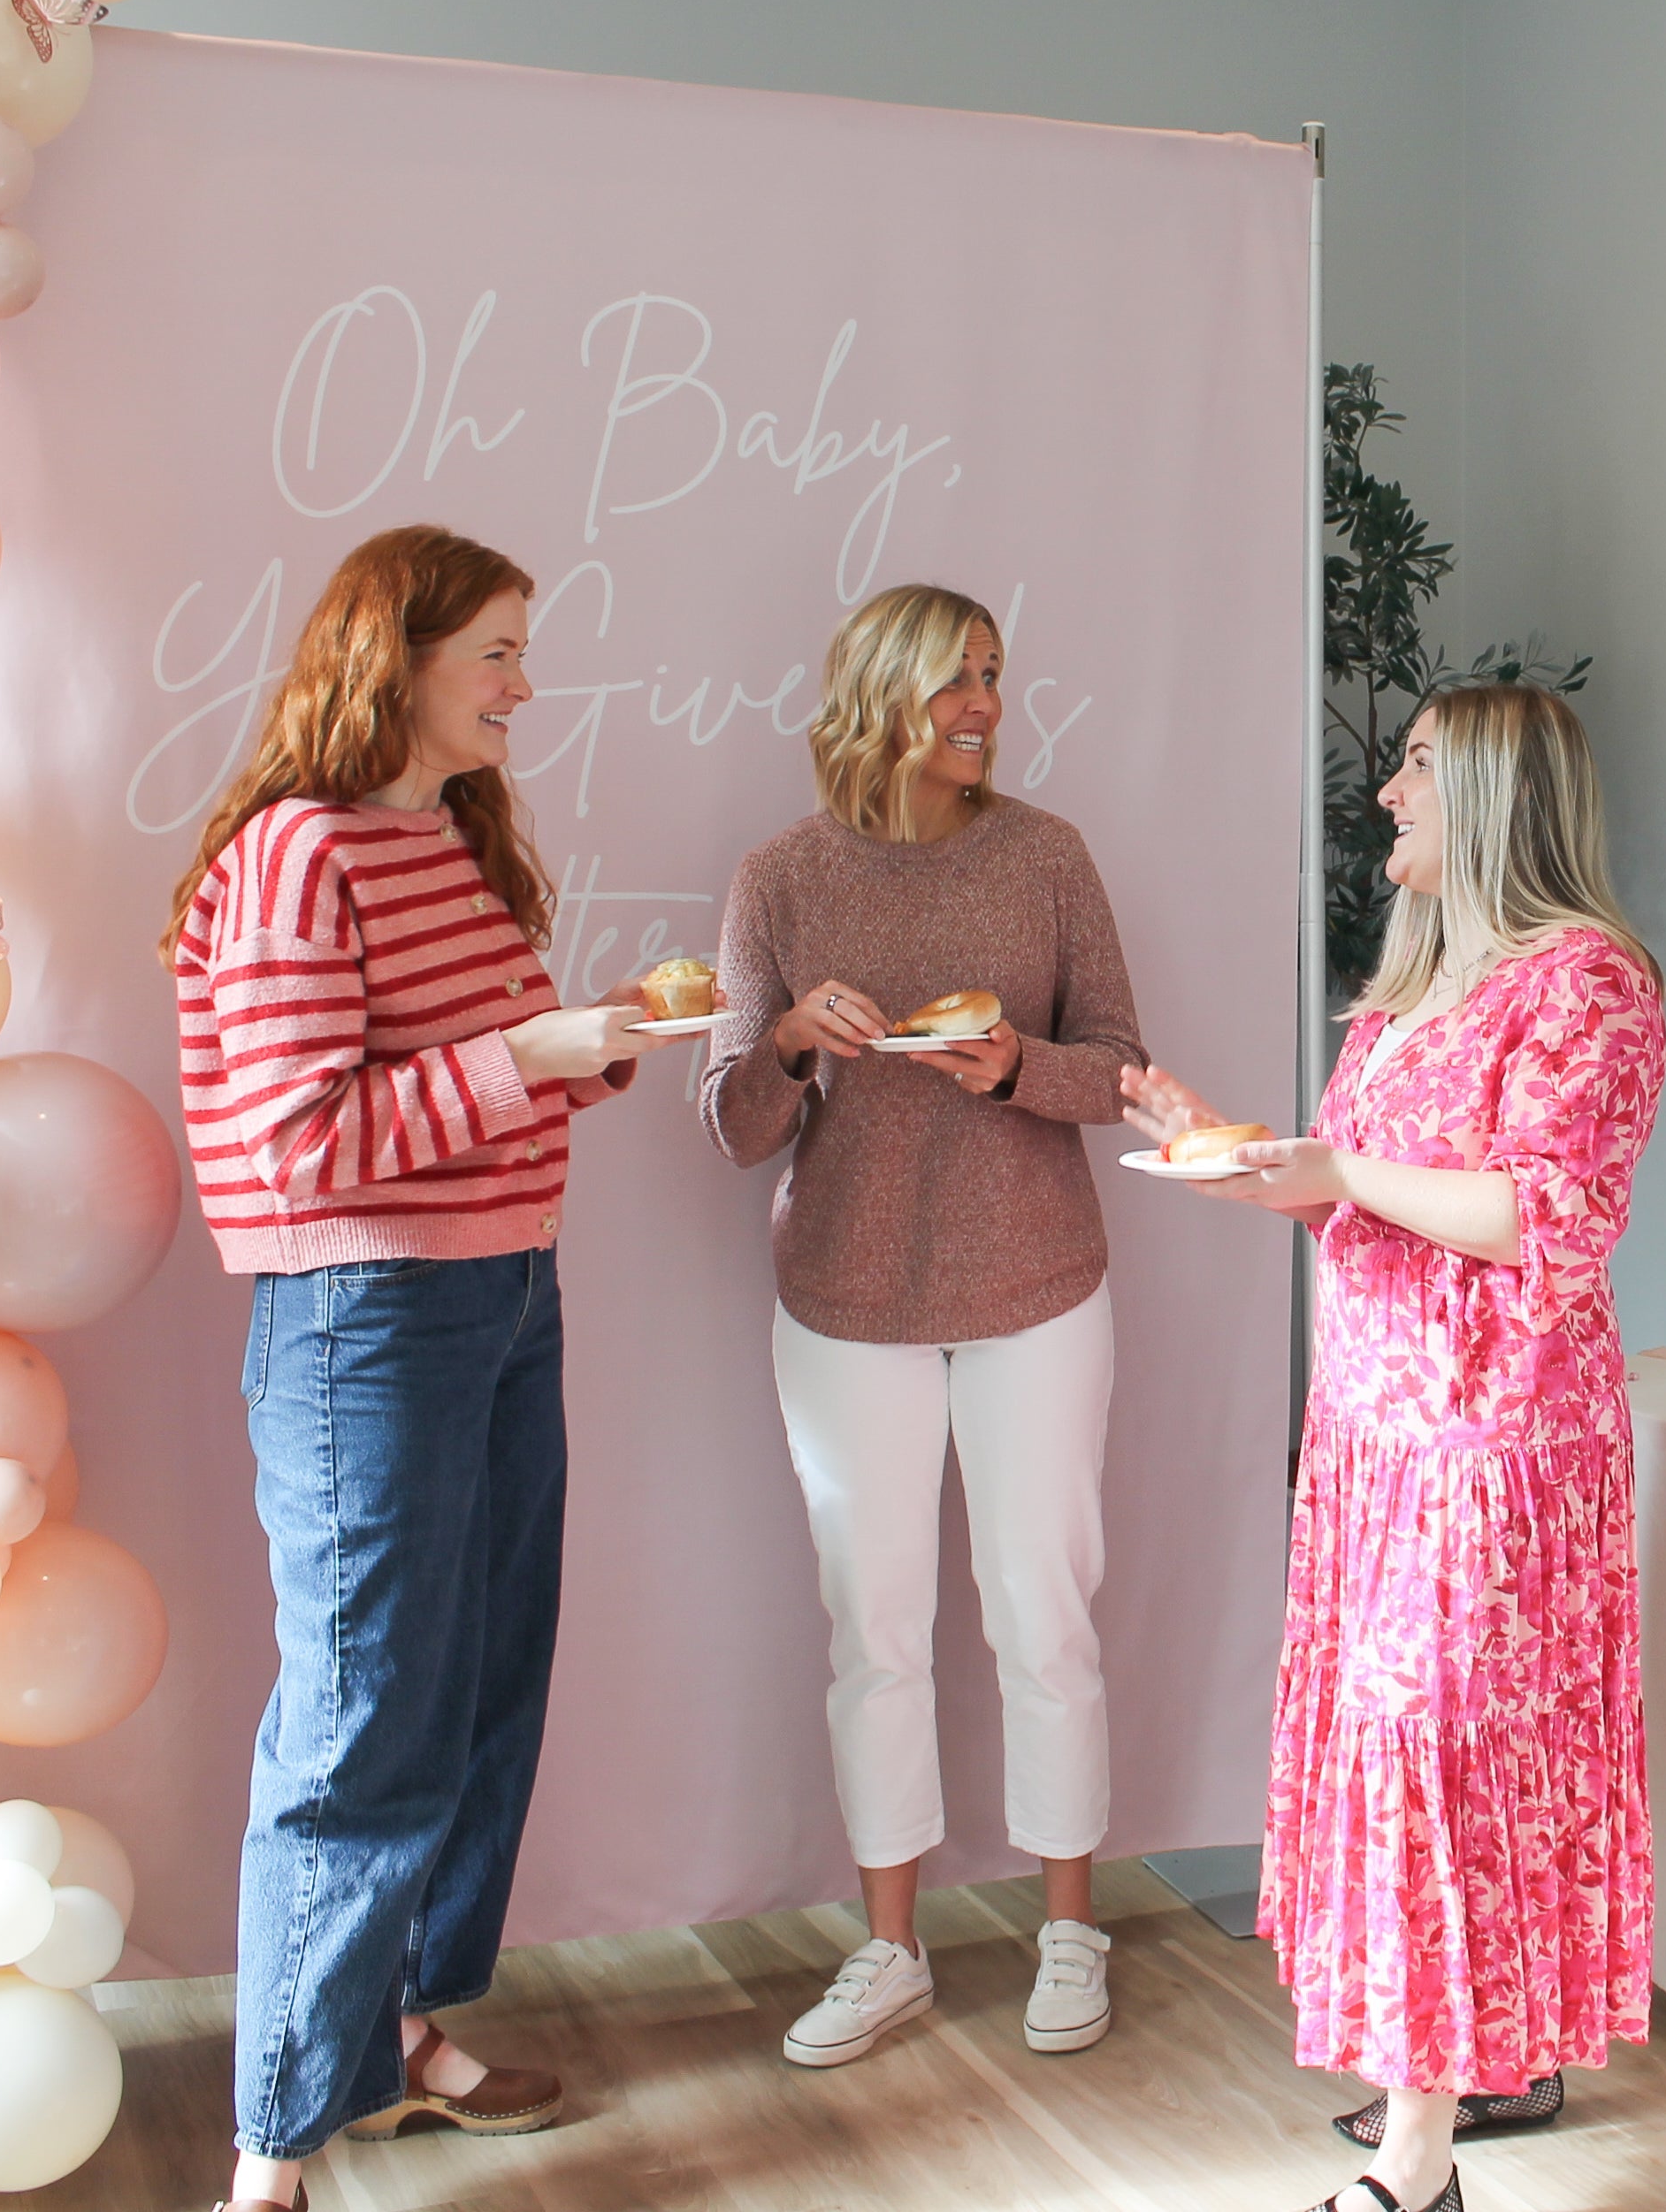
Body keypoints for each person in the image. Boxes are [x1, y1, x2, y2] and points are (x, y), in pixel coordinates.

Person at [164, 526, 682, 2212]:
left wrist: (584, 1052)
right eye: (502, 656)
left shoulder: (439, 839)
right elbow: (300, 1145)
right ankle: (275, 2138)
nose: (527, 688)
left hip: (503, 1297)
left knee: (473, 1687)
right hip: (365, 1323)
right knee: (359, 1718)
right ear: (400, 656)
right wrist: (528, 1050)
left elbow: (470, 1082)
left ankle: (390, 2036)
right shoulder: (297, 857)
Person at [1124, 681, 1665, 2212]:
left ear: (1493, 791)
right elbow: (1364, 1197)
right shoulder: (1408, 991)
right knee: (1397, 1763)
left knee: (1445, 1763)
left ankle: (1419, 2161)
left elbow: (1542, 1221)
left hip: (1494, 1453)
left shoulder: (1589, 984)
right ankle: (1452, 2082)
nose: (1388, 795)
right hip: (1375, 1446)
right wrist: (1243, 1150)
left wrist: (1335, 1167)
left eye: (1418, 766)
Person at [700, 583, 1148, 2069]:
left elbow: (1124, 1071)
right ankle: (889, 1948)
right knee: (874, 1632)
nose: (984, 707)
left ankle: (1067, 1924)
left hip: (1035, 1289)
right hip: (844, 1304)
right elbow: (733, 1130)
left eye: (996, 678)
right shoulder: (778, 880)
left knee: (1042, 1611)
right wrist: (777, 1044)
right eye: (958, 677)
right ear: (882, 688)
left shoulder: (1048, 859)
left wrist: (1021, 1062)